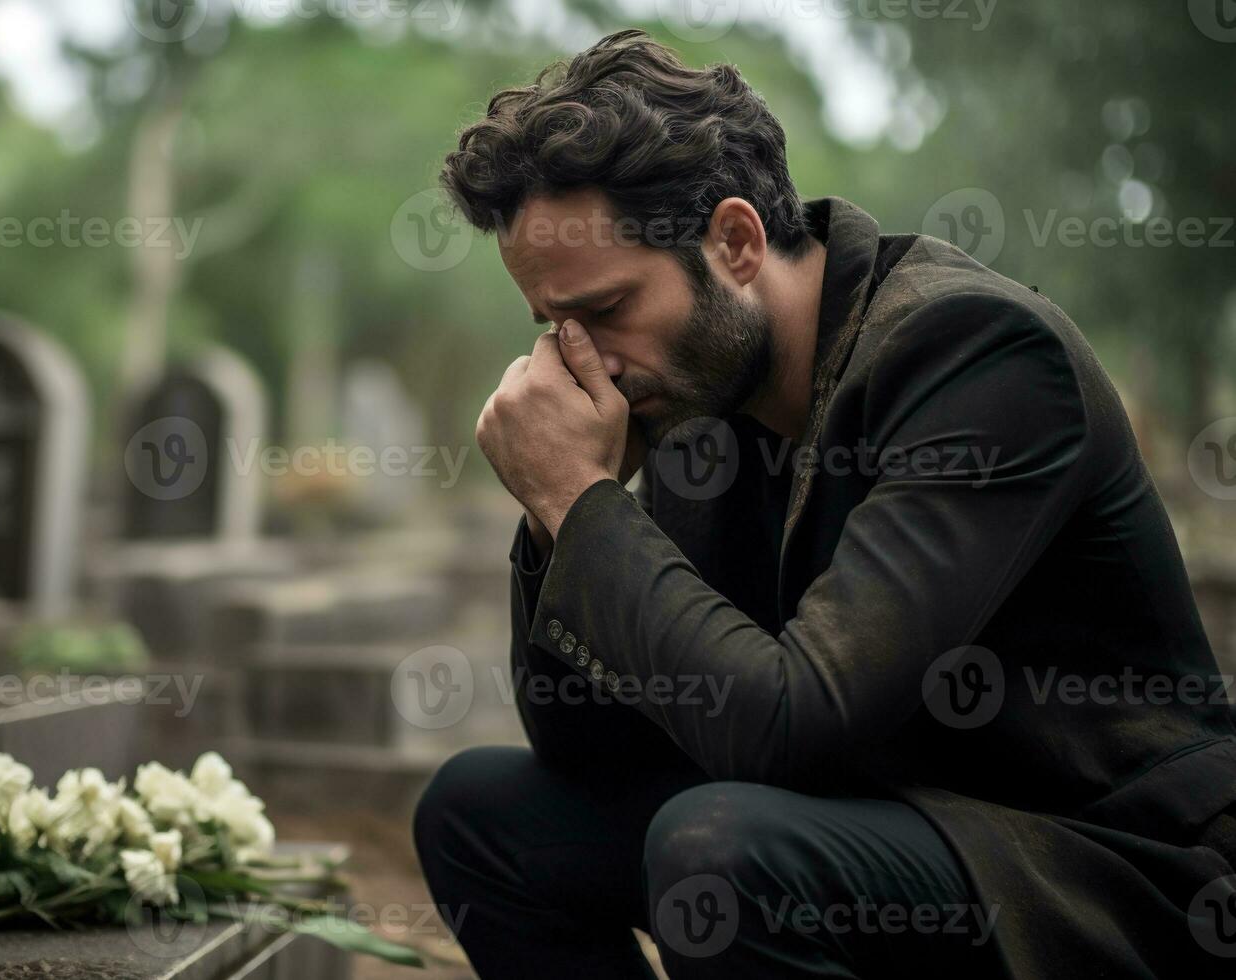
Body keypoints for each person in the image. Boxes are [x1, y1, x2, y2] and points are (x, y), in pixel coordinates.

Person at [412, 28, 1236, 979]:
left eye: (604, 311)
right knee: (482, 815)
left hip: (1102, 867)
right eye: (554, 327)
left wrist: (583, 494)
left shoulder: (978, 355)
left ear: (735, 241)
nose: (583, 361)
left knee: (718, 849)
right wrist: (561, 513)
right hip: (878, 817)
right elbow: (583, 749)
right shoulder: (701, 391)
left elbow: (789, 729)